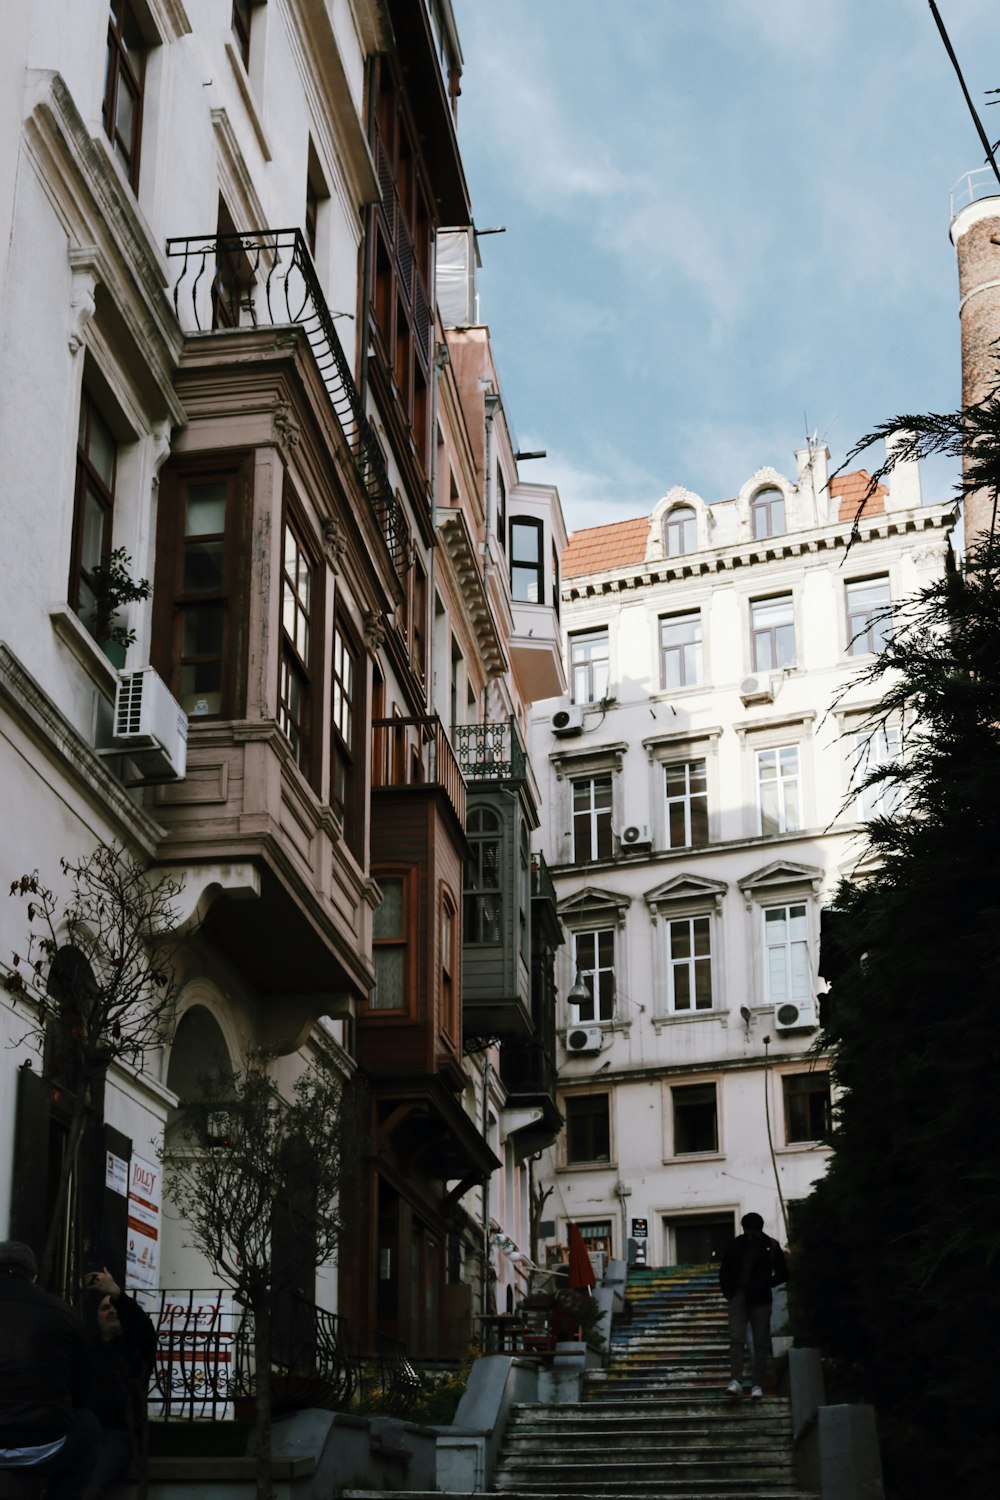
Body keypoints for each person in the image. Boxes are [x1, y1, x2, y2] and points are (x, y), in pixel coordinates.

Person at [0, 1240, 98, 1500]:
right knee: (90, 1425)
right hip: (43, 1445)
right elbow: (82, 1389)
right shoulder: (62, 1312)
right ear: (33, 1277)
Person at [80, 1268, 158, 1500]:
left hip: (115, 1433)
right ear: (97, 1316)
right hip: (81, 1431)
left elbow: (143, 1328)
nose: (111, 1310)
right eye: (105, 1308)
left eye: (115, 1307)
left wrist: (114, 1292)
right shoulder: (88, 1349)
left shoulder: (135, 1349)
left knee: (89, 1491)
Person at [718, 1212, 788, 1399]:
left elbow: (784, 1272)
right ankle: (736, 1381)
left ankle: (757, 1385)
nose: (750, 1235)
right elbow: (724, 1270)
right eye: (748, 1231)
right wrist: (728, 1292)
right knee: (737, 1338)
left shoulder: (770, 1245)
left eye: (753, 1232)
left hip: (761, 1299)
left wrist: (767, 1283)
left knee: (760, 1343)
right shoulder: (735, 1244)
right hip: (738, 1296)